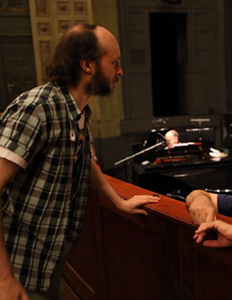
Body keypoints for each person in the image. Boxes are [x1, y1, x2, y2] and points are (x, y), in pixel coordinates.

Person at [0, 24, 160, 300]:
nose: (119, 71)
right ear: (87, 65)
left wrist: (118, 201)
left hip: (45, 262)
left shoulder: (78, 110)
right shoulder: (39, 108)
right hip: (17, 265)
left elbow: (82, 159)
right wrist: (4, 280)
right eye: (114, 63)